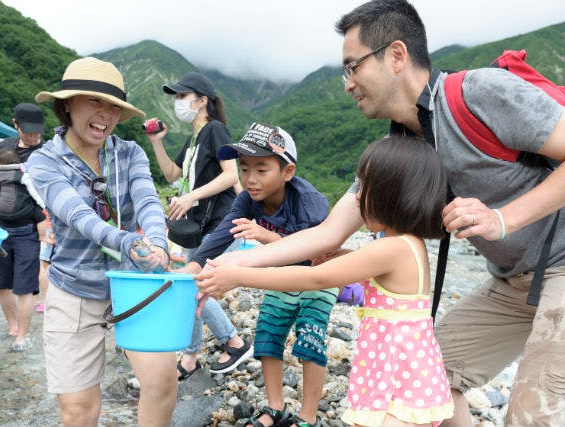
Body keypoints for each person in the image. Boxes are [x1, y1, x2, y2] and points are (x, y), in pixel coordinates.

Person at [204, 1, 565, 426]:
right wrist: (227, 264)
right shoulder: (400, 151)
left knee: (532, 412)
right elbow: (326, 234)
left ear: (396, 55)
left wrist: (503, 219)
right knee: (431, 378)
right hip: (511, 281)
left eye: (351, 67)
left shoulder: (481, 93)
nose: (346, 84)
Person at [197, 136, 455, 427]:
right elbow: (370, 267)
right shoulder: (408, 244)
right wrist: (342, 254)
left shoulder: (392, 247)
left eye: (365, 188)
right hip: (401, 370)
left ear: (392, 194)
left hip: (397, 374)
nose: (356, 198)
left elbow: (315, 277)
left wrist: (239, 276)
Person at [27, 57, 173, 427]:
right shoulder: (45, 161)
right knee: (79, 409)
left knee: (161, 382)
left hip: (134, 283)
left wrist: (157, 242)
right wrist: (128, 242)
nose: (104, 115)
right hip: (74, 287)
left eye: (112, 107)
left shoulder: (130, 153)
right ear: (67, 105)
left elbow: (147, 201)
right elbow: (78, 217)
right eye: (94, 102)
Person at [185, 122, 333, 427]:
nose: (250, 179)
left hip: (319, 278)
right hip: (279, 277)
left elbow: (316, 255)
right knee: (267, 336)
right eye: (245, 168)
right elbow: (222, 233)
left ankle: (306, 417)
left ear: (287, 172)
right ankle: (275, 407)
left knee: (310, 338)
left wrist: (266, 236)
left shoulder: (310, 202)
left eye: (261, 170)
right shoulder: (248, 199)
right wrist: (193, 266)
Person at [146, 71, 251, 379]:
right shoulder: (193, 138)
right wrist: (156, 142)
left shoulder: (215, 130)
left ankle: (233, 341)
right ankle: (191, 356)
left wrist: (191, 197)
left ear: (202, 100)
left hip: (218, 222)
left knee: (191, 284)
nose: (178, 102)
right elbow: (170, 174)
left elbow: (231, 175)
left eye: (182, 96)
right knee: (189, 285)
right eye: (176, 97)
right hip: (198, 226)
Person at [0, 104, 46, 351]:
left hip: (28, 230)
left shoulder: (46, 153)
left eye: (37, 131)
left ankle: (23, 336)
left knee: (25, 286)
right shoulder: (3, 148)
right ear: (15, 123)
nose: (32, 136)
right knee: (2, 283)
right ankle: (12, 326)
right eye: (27, 130)